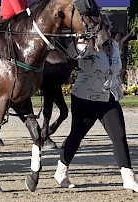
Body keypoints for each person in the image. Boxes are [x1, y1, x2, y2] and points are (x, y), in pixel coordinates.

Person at [54, 16, 138, 192]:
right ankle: (61, 171)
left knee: (119, 136)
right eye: (104, 28)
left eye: (108, 27)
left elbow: (115, 70)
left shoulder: (114, 46)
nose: (107, 30)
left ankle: (128, 178)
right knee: (76, 136)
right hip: (85, 98)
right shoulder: (87, 46)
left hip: (108, 98)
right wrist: (80, 42)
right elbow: (74, 54)